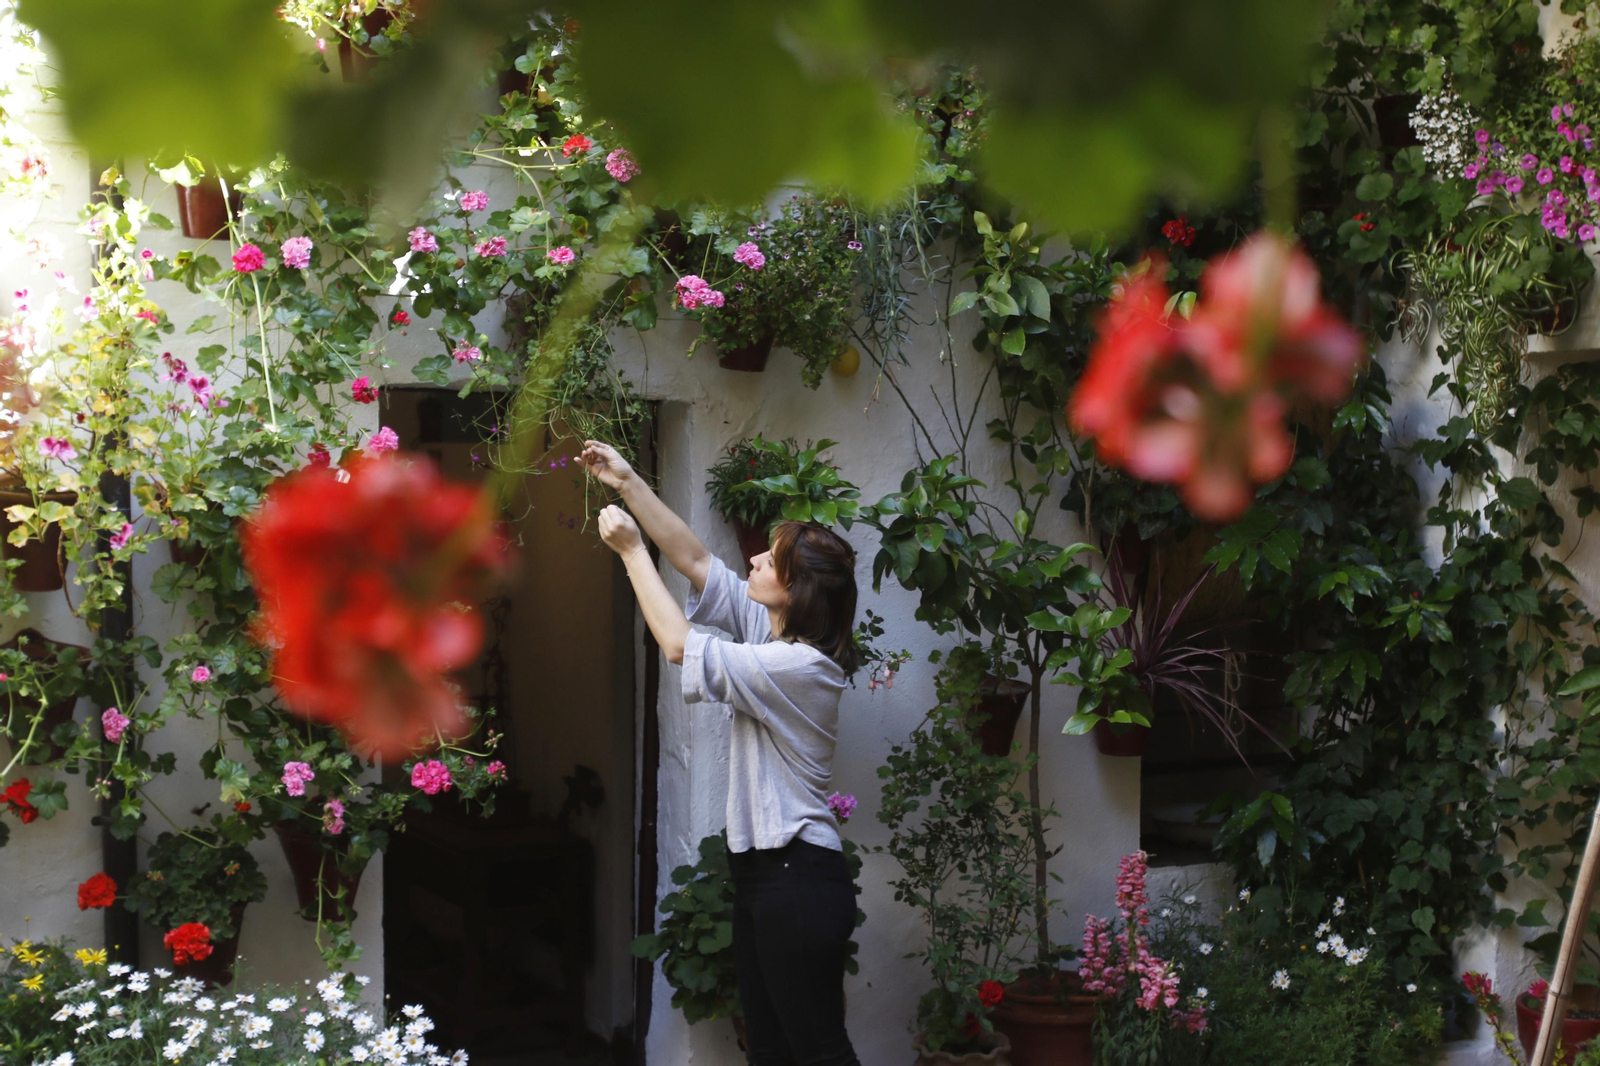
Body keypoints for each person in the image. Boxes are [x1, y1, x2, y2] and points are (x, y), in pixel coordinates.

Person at [581, 439, 863, 1066]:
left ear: (797, 590)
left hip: (797, 878)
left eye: (773, 558)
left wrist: (630, 551)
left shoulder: (799, 666)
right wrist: (627, 481)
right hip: (766, 877)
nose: (756, 557)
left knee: (816, 1049)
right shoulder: (771, 631)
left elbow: (680, 646)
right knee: (770, 1048)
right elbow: (695, 555)